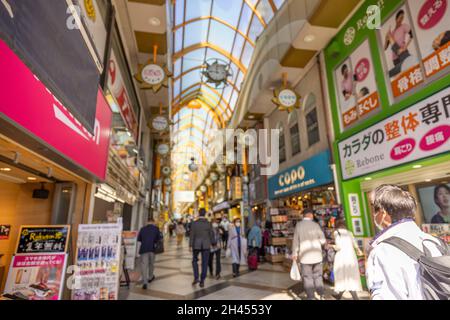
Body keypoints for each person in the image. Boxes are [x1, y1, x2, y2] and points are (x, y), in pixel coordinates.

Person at [366, 184, 443, 300]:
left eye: (373, 209)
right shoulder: (436, 242)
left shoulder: (384, 250)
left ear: (383, 213)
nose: (373, 214)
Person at [292, 208, 326, 300]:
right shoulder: (316, 225)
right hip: (317, 256)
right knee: (318, 276)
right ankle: (321, 294)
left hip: (305, 257)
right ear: (311, 215)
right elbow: (323, 241)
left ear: (304, 215)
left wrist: (294, 253)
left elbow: (296, 241)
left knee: (307, 277)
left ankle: (311, 297)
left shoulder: (299, 225)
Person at [332, 220, 363, 300]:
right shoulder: (349, 233)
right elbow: (355, 244)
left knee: (343, 276)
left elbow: (338, 246)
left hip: (342, 257)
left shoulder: (336, 232)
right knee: (349, 276)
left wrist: (332, 246)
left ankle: (355, 298)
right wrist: (358, 250)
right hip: (351, 257)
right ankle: (339, 296)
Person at [384, 10, 414, 78]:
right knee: (403, 76)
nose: (401, 19)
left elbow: (412, 34)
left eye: (402, 18)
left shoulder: (404, 26)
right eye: (400, 18)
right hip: (395, 59)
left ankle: (386, 75)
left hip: (402, 53)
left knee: (407, 71)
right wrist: (386, 38)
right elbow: (385, 47)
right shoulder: (392, 32)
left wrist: (405, 47)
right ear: (396, 18)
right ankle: (387, 75)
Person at [190, 208, 214, 288]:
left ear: (199, 214)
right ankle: (202, 281)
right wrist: (213, 243)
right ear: (205, 214)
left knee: (194, 261)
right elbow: (211, 234)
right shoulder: (208, 223)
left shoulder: (194, 223)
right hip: (206, 245)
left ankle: (196, 277)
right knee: (205, 263)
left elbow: (192, 235)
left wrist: (190, 245)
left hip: (196, 245)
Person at [137, 217, 162, 289]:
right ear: (153, 222)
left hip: (144, 249)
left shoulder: (142, 229)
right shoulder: (156, 229)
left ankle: (145, 282)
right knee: (151, 264)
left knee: (144, 265)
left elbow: (139, 239)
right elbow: (158, 239)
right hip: (152, 249)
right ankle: (150, 277)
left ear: (147, 222)